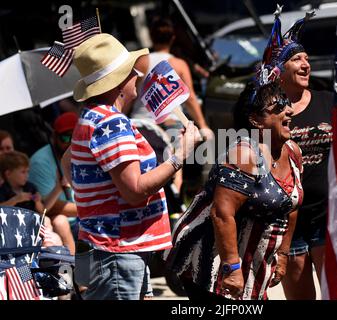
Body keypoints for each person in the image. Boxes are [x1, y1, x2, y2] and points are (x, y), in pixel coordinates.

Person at [62, 33, 201, 300]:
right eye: (130, 70)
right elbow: (135, 192)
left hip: (111, 248)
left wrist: (95, 200)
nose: (138, 73)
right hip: (117, 252)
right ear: (118, 83)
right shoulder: (111, 122)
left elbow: (68, 162)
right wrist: (180, 156)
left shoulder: (90, 117)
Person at [165, 80, 303, 300]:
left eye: (287, 105)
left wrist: (283, 254)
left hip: (253, 263)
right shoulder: (243, 154)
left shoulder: (293, 151)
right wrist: (232, 269)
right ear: (255, 120)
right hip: (213, 266)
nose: (289, 110)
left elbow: (292, 205)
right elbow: (221, 214)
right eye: (278, 107)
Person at [271, 10, 334, 299]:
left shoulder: (328, 101)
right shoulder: (268, 114)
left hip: (328, 216)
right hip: (288, 222)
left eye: (307, 59)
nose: (306, 64)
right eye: (297, 59)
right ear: (279, 70)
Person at [130, 17, 214, 191]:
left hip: (140, 123)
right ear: (173, 39)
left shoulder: (141, 61)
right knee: (176, 168)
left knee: (142, 166)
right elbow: (189, 98)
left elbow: (132, 93)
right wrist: (203, 125)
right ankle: (174, 204)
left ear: (151, 38)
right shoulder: (178, 64)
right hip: (169, 124)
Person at [28, 112, 78, 255]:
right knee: (60, 221)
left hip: (80, 217)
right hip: (60, 220)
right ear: (54, 136)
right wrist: (91, 209)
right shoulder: (40, 162)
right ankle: (75, 268)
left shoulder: (83, 152)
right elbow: (50, 207)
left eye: (74, 136)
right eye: (65, 137)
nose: (70, 142)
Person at [0, 151, 65, 247]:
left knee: (46, 219)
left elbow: (42, 210)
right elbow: (1, 208)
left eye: (27, 171)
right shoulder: (3, 190)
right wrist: (15, 200)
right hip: (12, 225)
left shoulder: (30, 187)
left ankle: (47, 239)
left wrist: (38, 202)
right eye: (23, 172)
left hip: (32, 221)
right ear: (8, 174)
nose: (27, 175)